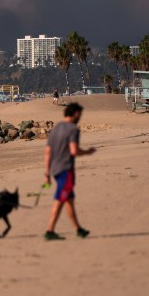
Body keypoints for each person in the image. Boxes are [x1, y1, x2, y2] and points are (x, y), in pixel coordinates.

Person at [44, 102, 95, 240]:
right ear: (76, 114)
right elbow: (74, 151)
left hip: (55, 170)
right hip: (66, 170)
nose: (80, 117)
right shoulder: (73, 129)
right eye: (80, 114)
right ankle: (49, 231)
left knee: (68, 200)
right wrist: (87, 152)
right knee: (60, 200)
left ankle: (79, 229)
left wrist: (47, 174)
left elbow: (47, 153)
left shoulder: (55, 129)